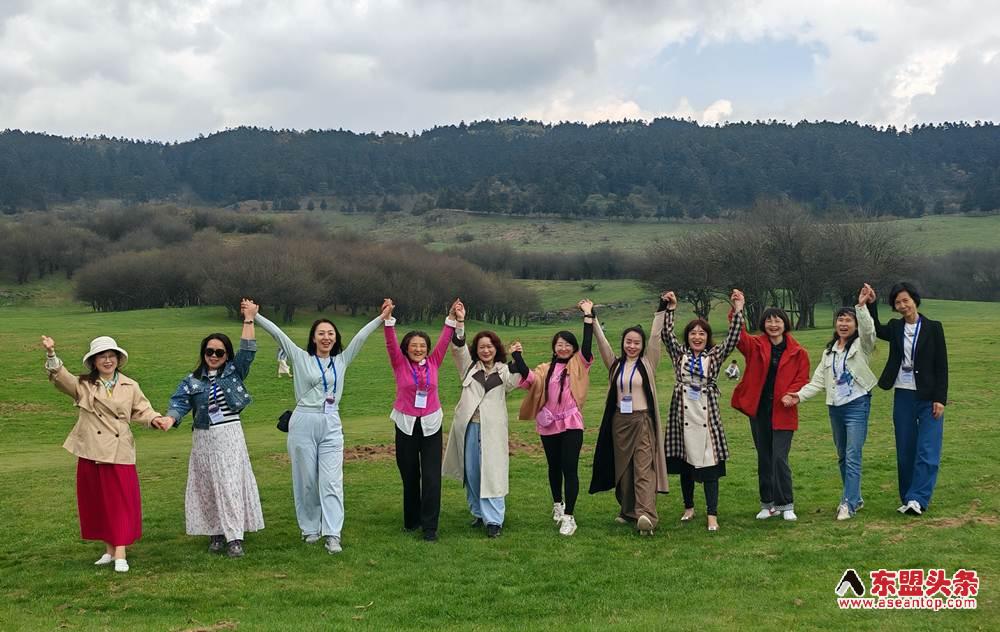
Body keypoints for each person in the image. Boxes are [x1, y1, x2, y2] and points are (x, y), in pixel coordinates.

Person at [253, 298, 392, 553]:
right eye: (321, 333)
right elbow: (278, 334)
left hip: (331, 421)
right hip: (303, 421)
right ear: (313, 338)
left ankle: (332, 533)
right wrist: (255, 316)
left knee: (331, 481)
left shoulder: (342, 360)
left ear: (335, 338)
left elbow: (360, 338)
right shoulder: (300, 357)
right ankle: (309, 529)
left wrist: (381, 318)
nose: (326, 338)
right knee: (306, 480)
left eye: (330, 333)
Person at [41, 334, 173, 573]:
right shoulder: (83, 385)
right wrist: (51, 353)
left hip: (120, 450)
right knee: (99, 501)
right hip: (91, 450)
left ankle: (121, 553)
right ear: (94, 361)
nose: (107, 360)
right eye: (102, 356)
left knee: (121, 502)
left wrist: (155, 419)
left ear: (118, 359)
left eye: (111, 356)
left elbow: (143, 409)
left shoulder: (130, 385)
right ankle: (110, 550)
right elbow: (60, 378)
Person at [165, 300, 265, 556]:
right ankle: (216, 533)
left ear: (226, 355)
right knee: (208, 486)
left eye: (219, 352)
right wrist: (170, 419)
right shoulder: (192, 380)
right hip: (203, 438)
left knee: (229, 485)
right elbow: (179, 403)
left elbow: (248, 351)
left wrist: (249, 319)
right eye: (209, 351)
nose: (213, 356)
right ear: (203, 353)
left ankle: (235, 537)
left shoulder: (234, 372)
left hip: (229, 435)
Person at [782, 285, 878, 520]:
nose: (844, 324)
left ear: (855, 325)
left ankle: (848, 503)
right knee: (843, 455)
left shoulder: (862, 345)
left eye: (848, 320)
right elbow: (817, 382)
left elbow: (869, 330)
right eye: (840, 320)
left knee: (853, 454)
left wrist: (861, 306)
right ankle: (855, 497)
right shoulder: (829, 352)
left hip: (857, 405)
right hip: (835, 408)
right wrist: (798, 396)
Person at [661, 290, 744, 532]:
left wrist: (738, 309)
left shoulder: (715, 355)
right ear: (687, 337)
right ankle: (688, 507)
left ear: (707, 337)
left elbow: (733, 337)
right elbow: (666, 335)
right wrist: (671, 309)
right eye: (693, 333)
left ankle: (712, 514)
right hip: (682, 414)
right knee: (686, 463)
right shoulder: (679, 354)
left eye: (702, 333)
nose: (697, 337)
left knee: (710, 466)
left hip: (707, 414)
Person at [442, 313, 531, 538]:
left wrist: (517, 355)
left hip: (492, 430)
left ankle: (494, 520)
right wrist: (460, 322)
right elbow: (458, 348)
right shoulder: (469, 367)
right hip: (469, 427)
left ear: (496, 348)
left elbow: (520, 377)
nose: (485, 350)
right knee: (472, 472)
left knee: (492, 473)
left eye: (489, 346)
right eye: (481, 347)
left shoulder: (504, 371)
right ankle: (478, 513)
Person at [382, 298, 462, 542]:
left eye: (422, 346)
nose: (418, 349)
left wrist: (451, 318)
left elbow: (445, 340)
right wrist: (388, 320)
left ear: (427, 349)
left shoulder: (434, 361)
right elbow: (390, 343)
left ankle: (429, 527)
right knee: (409, 476)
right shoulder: (399, 363)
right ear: (406, 348)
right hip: (405, 425)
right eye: (414, 346)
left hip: (431, 425)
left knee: (431, 478)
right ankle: (411, 520)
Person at [867, 281, 948, 515]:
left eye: (906, 300)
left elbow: (941, 365)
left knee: (928, 449)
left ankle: (918, 498)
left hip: (929, 396)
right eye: (898, 303)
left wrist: (940, 398)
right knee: (905, 449)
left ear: (914, 300)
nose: (903, 306)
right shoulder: (895, 327)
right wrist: (871, 303)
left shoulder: (934, 328)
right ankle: (908, 497)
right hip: (903, 394)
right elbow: (875, 328)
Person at [589, 301, 669, 536]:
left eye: (636, 343)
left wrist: (662, 309)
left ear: (642, 345)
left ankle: (647, 516)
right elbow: (602, 343)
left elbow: (655, 337)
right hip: (619, 423)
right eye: (628, 342)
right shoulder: (615, 365)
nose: (632, 346)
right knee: (623, 471)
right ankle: (628, 511)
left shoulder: (648, 362)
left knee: (643, 469)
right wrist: (592, 317)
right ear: (623, 343)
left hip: (642, 421)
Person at [518, 299, 595, 536]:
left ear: (573, 348)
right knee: (554, 467)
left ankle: (569, 517)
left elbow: (587, 343)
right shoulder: (545, 368)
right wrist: (518, 358)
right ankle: (557, 504)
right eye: (559, 344)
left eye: (567, 344)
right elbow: (530, 381)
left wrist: (588, 315)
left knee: (569, 467)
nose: (563, 348)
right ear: (554, 348)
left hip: (571, 423)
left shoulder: (579, 364)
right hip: (549, 423)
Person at [729, 303, 810, 522]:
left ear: (785, 324)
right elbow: (739, 337)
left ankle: (786, 504)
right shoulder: (755, 345)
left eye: (777, 320)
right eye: (769, 321)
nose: (773, 325)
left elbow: (802, 378)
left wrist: (791, 394)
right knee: (764, 457)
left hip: (783, 411)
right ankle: (767, 503)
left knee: (779, 458)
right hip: (760, 411)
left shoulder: (799, 352)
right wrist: (737, 310)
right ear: (763, 324)